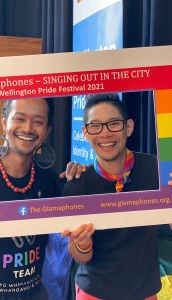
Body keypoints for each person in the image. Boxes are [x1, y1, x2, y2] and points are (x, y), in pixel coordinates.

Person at [0, 98, 83, 300]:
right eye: (19, 118)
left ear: (47, 131)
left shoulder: (49, 180)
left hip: (35, 292)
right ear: (4, 122)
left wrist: (82, 176)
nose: (28, 128)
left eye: (38, 122)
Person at [62, 93, 170, 300]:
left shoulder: (156, 171)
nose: (105, 133)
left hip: (144, 292)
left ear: (128, 127)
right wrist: (82, 243)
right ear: (85, 133)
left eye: (114, 124)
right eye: (95, 126)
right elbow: (80, 256)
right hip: (95, 292)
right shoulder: (76, 186)